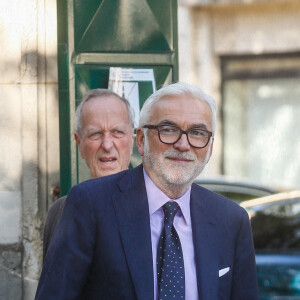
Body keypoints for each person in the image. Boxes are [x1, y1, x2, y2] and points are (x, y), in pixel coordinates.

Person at [35, 82, 258, 300]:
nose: (183, 144)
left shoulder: (231, 220)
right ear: (141, 140)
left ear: (209, 149)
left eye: (197, 133)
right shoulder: (89, 204)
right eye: (168, 129)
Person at [42, 89, 134, 260]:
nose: (107, 145)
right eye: (95, 134)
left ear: (133, 139)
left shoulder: (155, 210)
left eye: (117, 132)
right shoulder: (60, 212)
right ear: (79, 143)